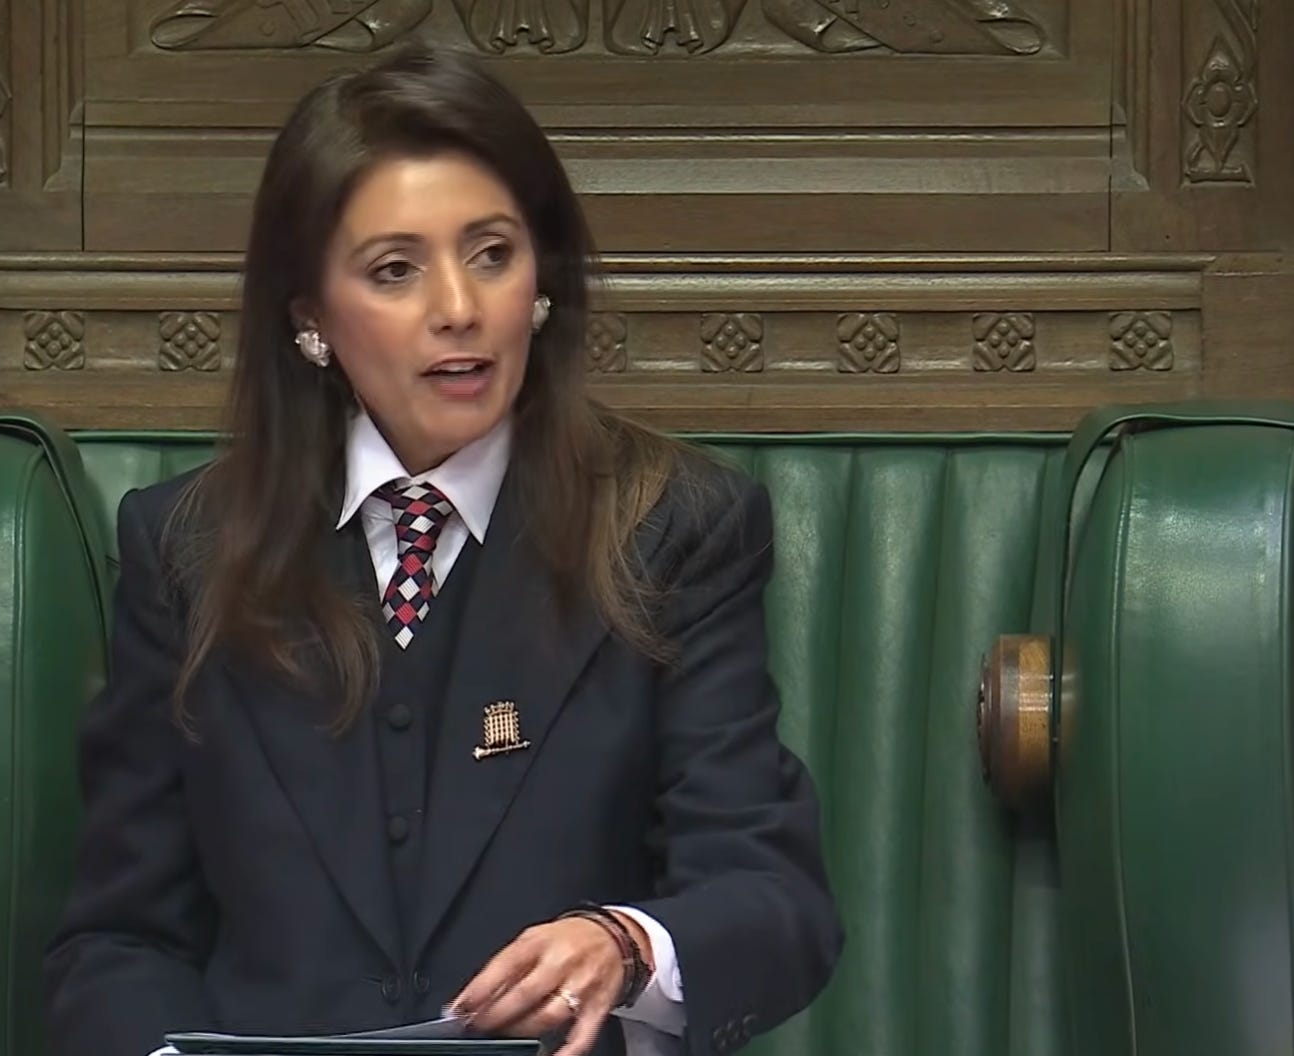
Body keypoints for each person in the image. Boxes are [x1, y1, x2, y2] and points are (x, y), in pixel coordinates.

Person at [41, 45, 841, 1056]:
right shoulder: (185, 550)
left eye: (492, 254)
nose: (458, 307)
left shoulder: (676, 528)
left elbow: (771, 899)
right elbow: (121, 939)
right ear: (310, 319)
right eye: (395, 271)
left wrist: (628, 944)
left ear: (540, 282)